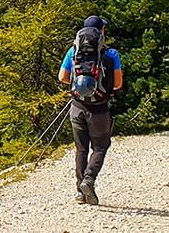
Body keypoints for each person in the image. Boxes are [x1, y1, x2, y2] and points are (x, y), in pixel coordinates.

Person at [57, 15, 122, 205]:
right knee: (101, 146)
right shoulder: (111, 54)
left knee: (81, 148)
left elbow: (62, 77)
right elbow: (117, 84)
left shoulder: (73, 51)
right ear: (101, 31)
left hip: (77, 107)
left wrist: (78, 85)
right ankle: (89, 179)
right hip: (99, 109)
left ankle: (80, 192)